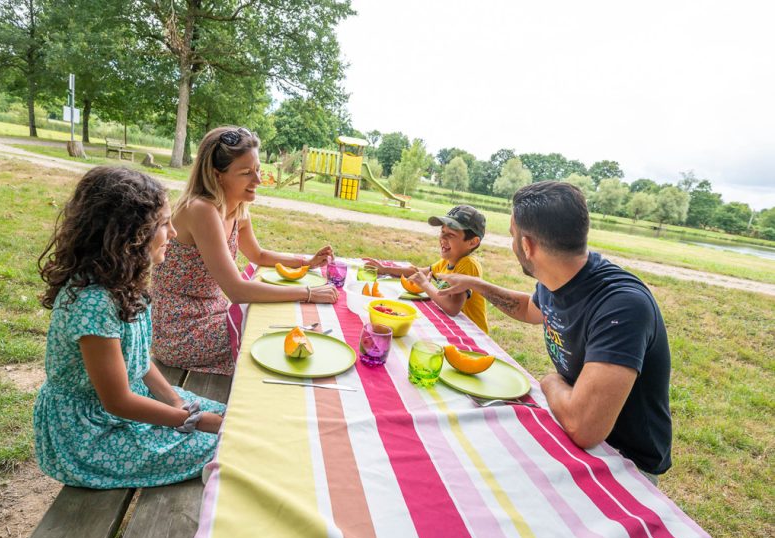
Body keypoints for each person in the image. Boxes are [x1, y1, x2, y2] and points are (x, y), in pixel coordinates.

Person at [438, 182, 671, 484]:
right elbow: (528, 309)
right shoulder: (562, 275)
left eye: (513, 235)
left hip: (624, 464)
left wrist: (550, 381)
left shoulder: (622, 306)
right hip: (572, 428)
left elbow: (583, 427)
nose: (513, 243)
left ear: (527, 246)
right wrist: (475, 285)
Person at [34, 167, 226, 489]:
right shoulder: (93, 304)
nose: (174, 233)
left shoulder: (126, 282)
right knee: (226, 445)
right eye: (164, 224)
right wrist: (192, 421)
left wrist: (176, 403)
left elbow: (137, 361)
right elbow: (117, 400)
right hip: (91, 434)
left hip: (127, 405)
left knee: (234, 420)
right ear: (131, 234)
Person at [151, 126, 338, 376]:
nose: (258, 180)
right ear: (218, 175)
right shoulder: (201, 210)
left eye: (258, 169)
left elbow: (258, 255)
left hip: (214, 313)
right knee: (276, 341)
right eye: (246, 173)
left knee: (284, 330)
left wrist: (307, 262)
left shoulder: (237, 206)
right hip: (180, 331)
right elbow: (237, 291)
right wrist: (308, 293)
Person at [363, 204, 489, 333]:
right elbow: (417, 272)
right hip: (456, 327)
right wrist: (385, 269)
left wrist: (425, 285)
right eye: (442, 231)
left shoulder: (468, 264)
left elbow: (452, 308)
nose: (442, 238)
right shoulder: (446, 262)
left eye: (451, 235)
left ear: (472, 242)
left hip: (472, 332)